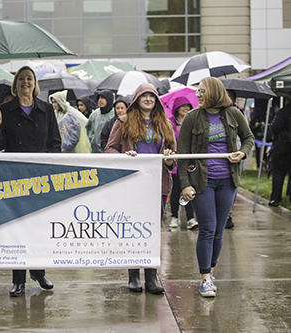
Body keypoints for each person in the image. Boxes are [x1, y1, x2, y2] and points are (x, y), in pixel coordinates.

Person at [177, 77, 254, 297]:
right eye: (197, 91)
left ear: (213, 92)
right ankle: (204, 279)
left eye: (201, 91)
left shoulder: (233, 113)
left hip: (227, 181)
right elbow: (183, 155)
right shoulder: (192, 118)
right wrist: (185, 184)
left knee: (219, 231)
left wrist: (243, 152)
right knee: (208, 229)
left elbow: (248, 137)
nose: (198, 95)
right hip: (202, 181)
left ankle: (210, 273)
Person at [0, 65, 61, 297]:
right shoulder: (5, 110)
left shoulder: (47, 109)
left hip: (40, 177)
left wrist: (49, 169)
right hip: (15, 176)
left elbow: (55, 143)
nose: (25, 82)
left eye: (29, 78)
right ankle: (18, 278)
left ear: (35, 83)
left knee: (39, 225)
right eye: (21, 79)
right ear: (15, 83)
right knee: (18, 227)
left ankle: (39, 271)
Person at [105, 83, 176, 294]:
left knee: (153, 230)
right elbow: (110, 149)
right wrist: (124, 158)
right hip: (132, 184)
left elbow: (172, 156)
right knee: (133, 228)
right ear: (136, 99)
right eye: (143, 95)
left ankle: (152, 276)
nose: (148, 99)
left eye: (151, 96)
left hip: (157, 184)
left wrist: (171, 161)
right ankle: (133, 275)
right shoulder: (123, 120)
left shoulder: (165, 123)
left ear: (156, 100)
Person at [168, 96, 198, 230]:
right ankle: (174, 216)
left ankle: (191, 218)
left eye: (188, 106)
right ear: (177, 108)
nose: (186, 109)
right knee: (175, 191)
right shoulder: (170, 123)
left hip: (189, 162)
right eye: (183, 106)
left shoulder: (193, 122)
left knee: (189, 190)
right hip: (175, 163)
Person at [268, 95, 291, 207]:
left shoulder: (282, 112)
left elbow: (275, 127)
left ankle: (275, 198)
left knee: (278, 173)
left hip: (281, 145)